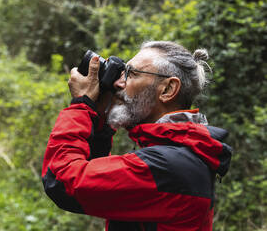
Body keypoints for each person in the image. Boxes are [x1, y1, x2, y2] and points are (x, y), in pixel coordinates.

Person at [42, 41, 232, 231]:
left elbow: (62, 181)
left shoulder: (167, 166)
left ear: (167, 90)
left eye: (131, 74)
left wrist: (82, 105)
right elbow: (94, 187)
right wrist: (99, 119)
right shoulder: (180, 154)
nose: (119, 83)